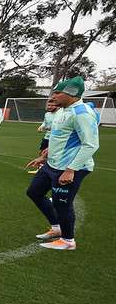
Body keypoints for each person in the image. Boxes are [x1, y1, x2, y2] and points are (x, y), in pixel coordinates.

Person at [25, 76, 99, 251]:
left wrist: (71, 170)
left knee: (62, 203)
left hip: (69, 167)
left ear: (71, 94)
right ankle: (56, 228)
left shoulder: (82, 114)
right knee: (34, 192)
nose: (54, 96)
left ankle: (67, 241)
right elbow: (60, 137)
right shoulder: (61, 110)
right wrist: (44, 156)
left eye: (58, 92)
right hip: (52, 164)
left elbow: (91, 144)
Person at [28, 101, 59, 174]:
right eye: (49, 105)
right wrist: (41, 127)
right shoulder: (47, 114)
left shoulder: (60, 114)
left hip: (56, 138)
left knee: (51, 154)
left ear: (58, 106)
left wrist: (50, 128)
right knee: (41, 152)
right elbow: (45, 123)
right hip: (47, 137)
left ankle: (52, 170)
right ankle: (40, 169)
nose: (50, 107)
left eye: (52, 105)